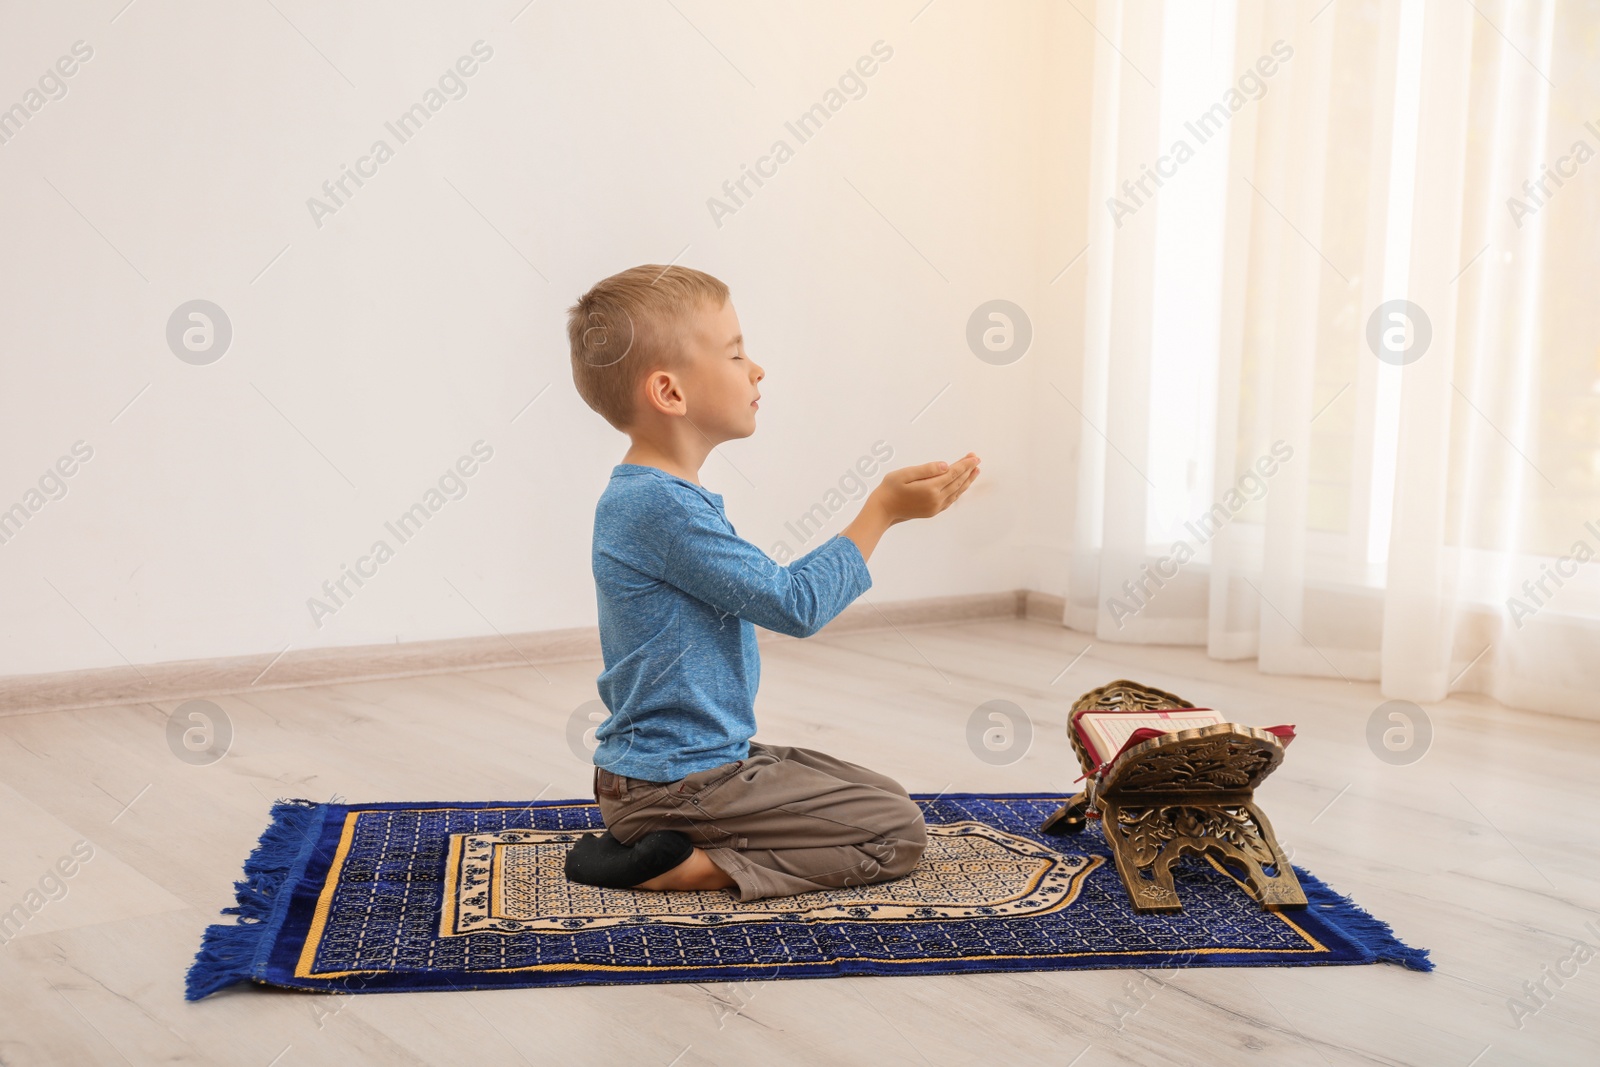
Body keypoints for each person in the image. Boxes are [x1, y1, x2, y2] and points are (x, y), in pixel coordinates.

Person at [561, 263, 981, 902]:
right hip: (675, 785)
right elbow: (795, 604)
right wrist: (882, 514)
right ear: (670, 393)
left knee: (885, 797)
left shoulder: (664, 498)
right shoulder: (660, 507)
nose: (757, 369)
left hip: (689, 768)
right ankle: (680, 866)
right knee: (897, 832)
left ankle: (664, 838)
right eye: (735, 353)